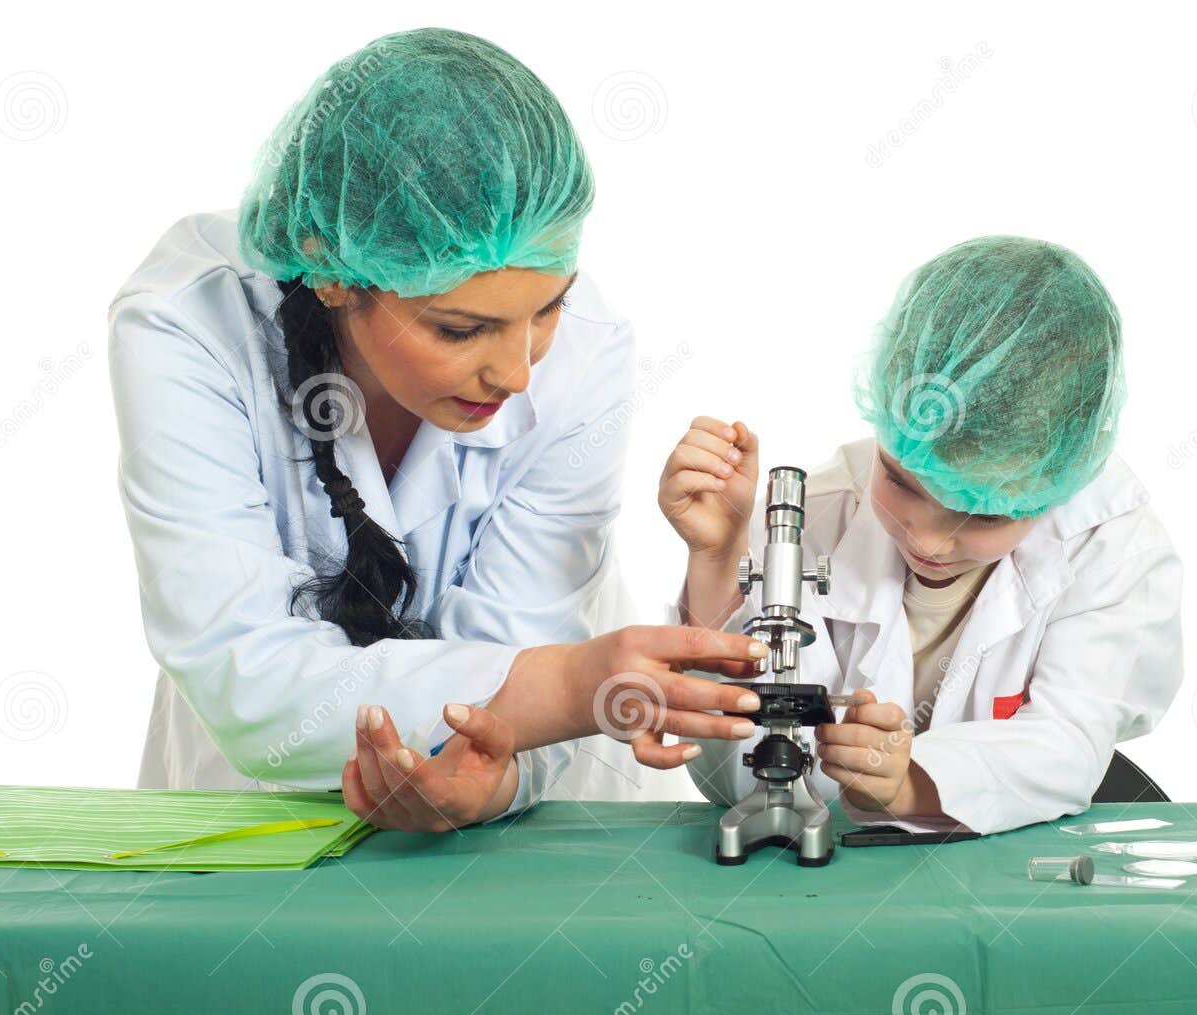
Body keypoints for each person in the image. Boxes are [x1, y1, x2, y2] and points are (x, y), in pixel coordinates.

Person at [110, 28, 761, 832]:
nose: (520, 372)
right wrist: (565, 687)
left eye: (547, 307)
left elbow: (523, 640)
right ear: (334, 275)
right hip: (257, 811)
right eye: (460, 329)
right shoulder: (190, 324)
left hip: (529, 823)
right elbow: (252, 678)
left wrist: (488, 778)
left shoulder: (587, 350)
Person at [660, 236, 1183, 834]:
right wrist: (716, 559)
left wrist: (910, 784)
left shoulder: (1109, 547)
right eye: (902, 482)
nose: (929, 542)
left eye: (984, 515)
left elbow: (1067, 742)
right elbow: (723, 775)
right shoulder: (818, 517)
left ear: (1056, 485)